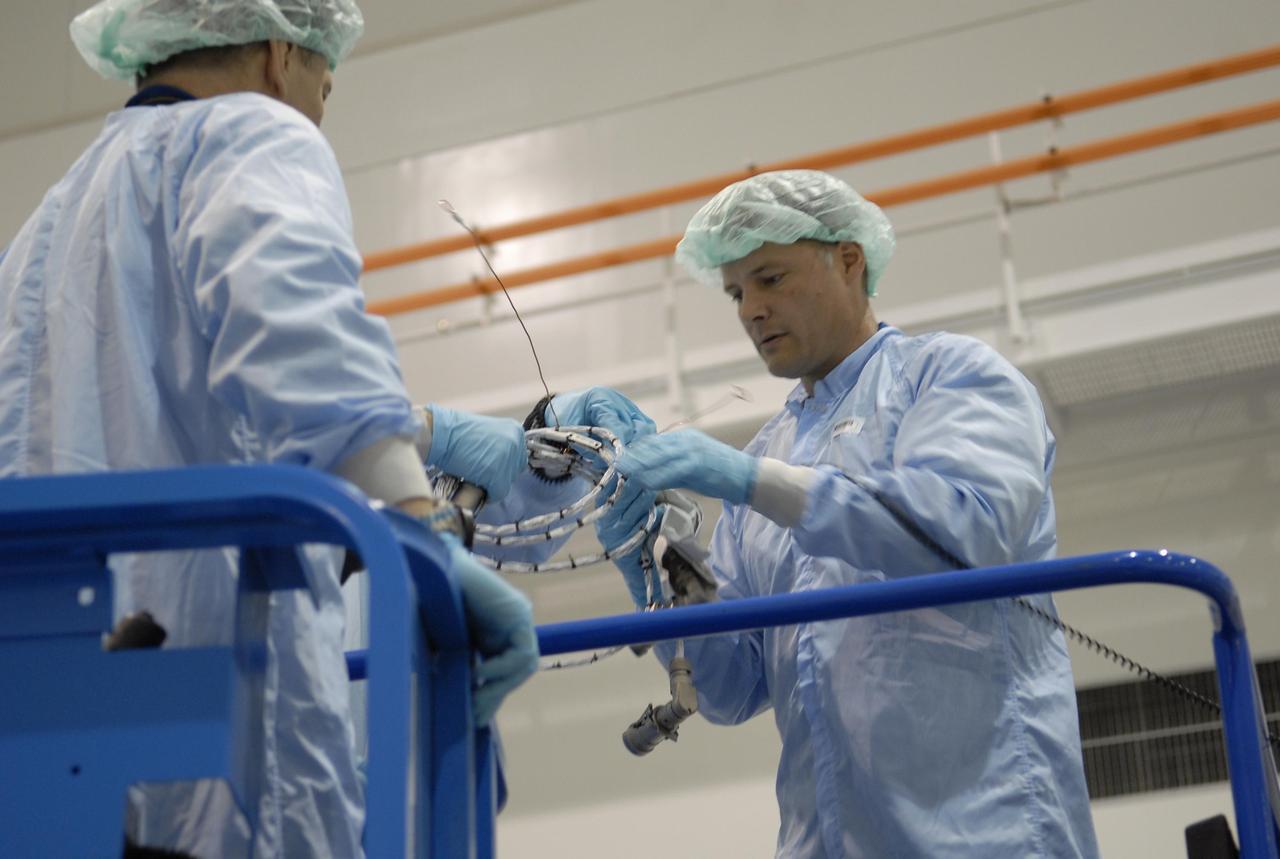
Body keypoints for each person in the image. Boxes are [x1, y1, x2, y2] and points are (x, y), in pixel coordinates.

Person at [0, 1, 537, 856]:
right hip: (219, 703)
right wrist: (416, 522)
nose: (320, 106)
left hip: (56, 724)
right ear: (283, 55)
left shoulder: (47, 220)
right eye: (328, 83)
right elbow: (293, 320)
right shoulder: (249, 132)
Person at [592, 170, 1101, 858]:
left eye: (770, 278)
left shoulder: (949, 377)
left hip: (986, 831)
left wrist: (749, 480)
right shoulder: (767, 453)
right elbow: (731, 687)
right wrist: (650, 566)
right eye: (737, 292)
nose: (750, 310)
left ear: (849, 259)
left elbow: (964, 526)